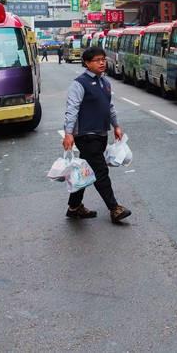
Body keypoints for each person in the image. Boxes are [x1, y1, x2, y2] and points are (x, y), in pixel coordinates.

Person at [62, 47, 131, 223]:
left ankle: (74, 207)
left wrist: (116, 125)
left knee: (85, 171)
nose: (102, 62)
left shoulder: (105, 82)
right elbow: (72, 110)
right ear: (86, 63)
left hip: (101, 133)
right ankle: (114, 208)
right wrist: (68, 133)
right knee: (100, 171)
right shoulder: (79, 84)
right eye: (97, 60)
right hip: (86, 135)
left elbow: (110, 106)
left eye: (103, 59)